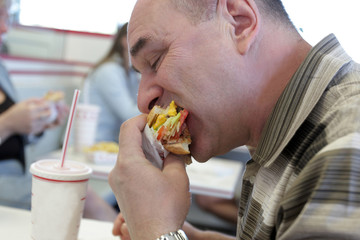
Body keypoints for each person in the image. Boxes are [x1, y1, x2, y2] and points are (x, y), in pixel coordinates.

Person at [108, 0, 360, 239]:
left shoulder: (343, 150)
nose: (143, 100)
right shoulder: (285, 134)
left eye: (156, 60)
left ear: (240, 23)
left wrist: (157, 232)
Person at [0, 0, 69, 208]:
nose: (4, 28)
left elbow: (13, 140)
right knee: (74, 193)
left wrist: (38, 120)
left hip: (15, 177)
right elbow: (8, 124)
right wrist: (8, 123)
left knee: (77, 188)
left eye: (7, 17)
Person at [82, 22, 140, 143]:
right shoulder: (109, 71)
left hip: (108, 145)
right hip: (91, 144)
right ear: (125, 42)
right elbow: (129, 115)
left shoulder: (131, 73)